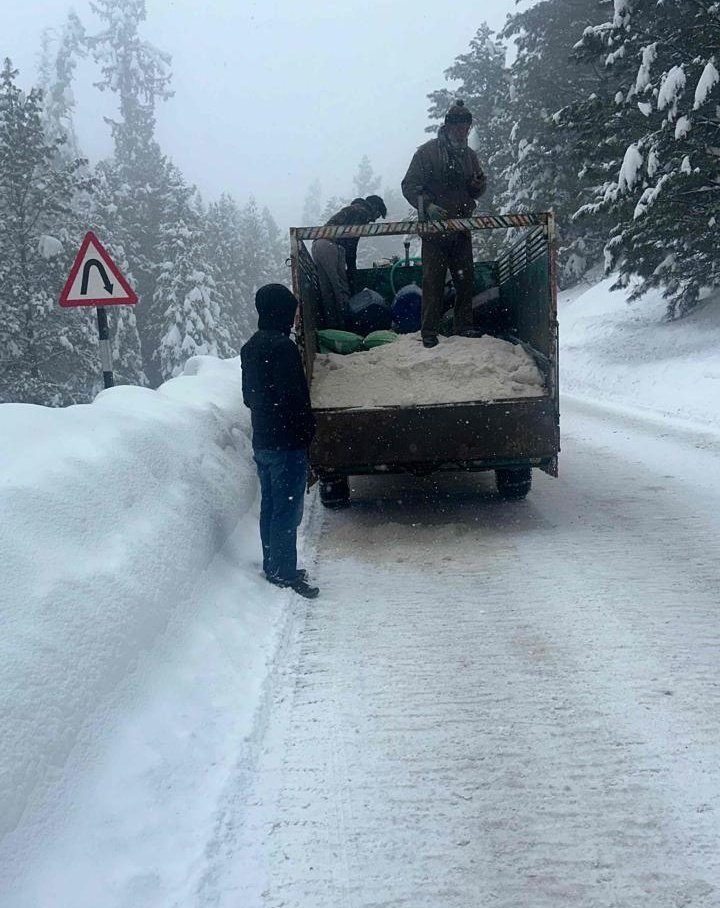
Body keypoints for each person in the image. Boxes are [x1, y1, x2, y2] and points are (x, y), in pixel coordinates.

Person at [240, 284, 319, 599]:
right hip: (287, 443)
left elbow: (248, 397)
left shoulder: (250, 347)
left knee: (271, 506)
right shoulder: (283, 348)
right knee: (287, 510)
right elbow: (295, 399)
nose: (294, 317)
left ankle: (273, 564)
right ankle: (284, 573)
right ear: (281, 311)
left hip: (263, 441)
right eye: (291, 311)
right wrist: (307, 433)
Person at [401, 100, 487, 348]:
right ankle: (429, 331)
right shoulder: (426, 153)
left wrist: (478, 184)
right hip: (434, 233)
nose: (462, 132)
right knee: (432, 282)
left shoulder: (470, 156)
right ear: (448, 126)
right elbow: (409, 185)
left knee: (465, 280)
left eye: (466, 128)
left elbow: (475, 191)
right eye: (458, 127)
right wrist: (427, 206)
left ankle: (464, 327)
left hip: (461, 230)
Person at [311, 194, 387, 329]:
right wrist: (352, 271)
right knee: (340, 289)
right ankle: (345, 326)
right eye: (378, 215)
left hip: (319, 245)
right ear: (375, 207)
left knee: (327, 289)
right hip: (331, 247)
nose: (374, 220)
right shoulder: (362, 212)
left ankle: (332, 326)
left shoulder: (354, 209)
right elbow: (351, 242)